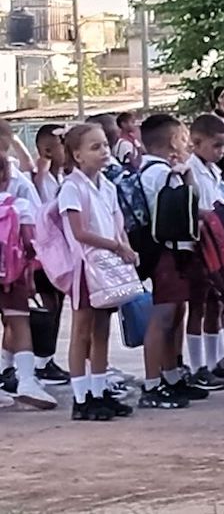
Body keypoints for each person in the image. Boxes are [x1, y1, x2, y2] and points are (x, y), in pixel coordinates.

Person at [57, 123, 136, 420]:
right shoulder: (72, 188)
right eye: (95, 147)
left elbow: (118, 223)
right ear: (77, 155)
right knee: (82, 330)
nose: (103, 151)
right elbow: (79, 232)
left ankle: (99, 391)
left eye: (104, 145)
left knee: (102, 328)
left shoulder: (108, 186)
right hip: (85, 266)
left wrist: (125, 248)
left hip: (108, 265)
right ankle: (81, 397)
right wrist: (117, 246)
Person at [137, 114, 208, 411]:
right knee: (163, 315)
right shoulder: (157, 173)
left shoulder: (164, 170)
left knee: (176, 312)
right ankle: (153, 384)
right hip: (167, 250)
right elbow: (189, 207)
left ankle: (171, 375)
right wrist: (185, 175)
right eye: (182, 138)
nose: (186, 143)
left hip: (176, 249)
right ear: (170, 142)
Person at [185, 114, 224, 391]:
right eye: (216, 145)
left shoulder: (213, 171)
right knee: (198, 305)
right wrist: (212, 215)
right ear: (196, 142)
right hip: (198, 245)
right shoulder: (190, 170)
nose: (221, 152)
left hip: (216, 244)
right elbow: (191, 208)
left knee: (217, 303)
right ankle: (197, 366)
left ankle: (216, 361)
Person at [0, 154, 55, 411]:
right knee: (19, 325)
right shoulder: (19, 205)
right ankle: (27, 381)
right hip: (13, 277)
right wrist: (31, 273)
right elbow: (31, 244)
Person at [28, 125, 69, 387]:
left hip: (61, 252)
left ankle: (48, 359)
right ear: (47, 151)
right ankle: (41, 361)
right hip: (44, 253)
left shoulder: (62, 177)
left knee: (57, 303)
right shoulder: (41, 179)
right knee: (48, 304)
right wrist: (41, 169)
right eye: (62, 144)